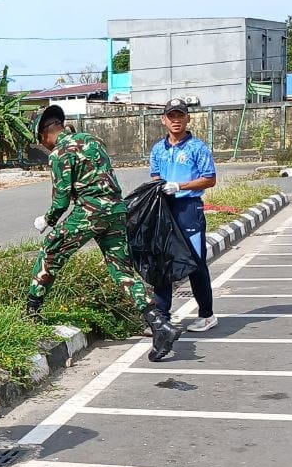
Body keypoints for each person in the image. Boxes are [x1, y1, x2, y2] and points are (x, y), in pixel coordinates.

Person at [28, 105, 182, 362]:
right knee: (122, 271)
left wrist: (48, 220)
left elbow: (62, 200)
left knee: (50, 253)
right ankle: (160, 325)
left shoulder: (59, 154)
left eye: (40, 141)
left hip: (89, 212)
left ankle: (31, 313)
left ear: (44, 133)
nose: (43, 145)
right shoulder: (92, 140)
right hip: (116, 211)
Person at [149, 98, 219, 331]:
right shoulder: (158, 149)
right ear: (164, 120)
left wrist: (180, 186)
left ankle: (207, 314)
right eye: (171, 116)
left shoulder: (197, 148)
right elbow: (156, 178)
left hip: (189, 209)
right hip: (165, 210)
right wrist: (159, 191)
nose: (176, 120)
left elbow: (210, 178)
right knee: (163, 261)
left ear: (188, 118)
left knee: (195, 262)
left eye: (180, 115)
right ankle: (162, 316)